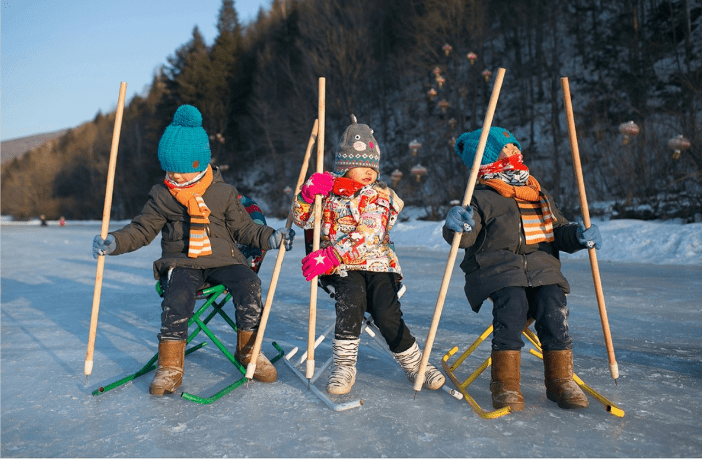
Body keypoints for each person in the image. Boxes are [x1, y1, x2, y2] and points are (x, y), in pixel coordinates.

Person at [92, 105, 295, 395]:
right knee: (178, 295)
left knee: (250, 283)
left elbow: (244, 229)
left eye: (181, 172)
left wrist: (272, 238)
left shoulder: (223, 193)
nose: (174, 177)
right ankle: (170, 366)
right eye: (169, 171)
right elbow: (141, 229)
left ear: (200, 165)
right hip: (182, 262)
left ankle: (249, 351)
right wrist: (113, 242)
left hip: (224, 260)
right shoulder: (162, 196)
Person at [443, 127, 603, 411]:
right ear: (489, 158)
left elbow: (557, 231)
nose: (516, 151)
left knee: (554, 307)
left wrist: (578, 235)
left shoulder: (536, 191)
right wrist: (457, 224)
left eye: (515, 146)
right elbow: (466, 239)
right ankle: (505, 384)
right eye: (507, 148)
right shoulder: (480, 197)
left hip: (542, 269)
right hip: (496, 270)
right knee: (513, 304)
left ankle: (560, 380)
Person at [292, 115, 445, 395]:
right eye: (360, 166)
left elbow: (370, 233)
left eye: (372, 168)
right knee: (351, 301)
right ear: (344, 167)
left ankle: (415, 364)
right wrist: (306, 195)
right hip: (341, 271)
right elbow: (302, 221)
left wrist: (331, 254)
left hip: (378, 265)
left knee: (386, 313)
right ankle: (344, 366)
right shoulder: (327, 195)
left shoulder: (380, 196)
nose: (368, 172)